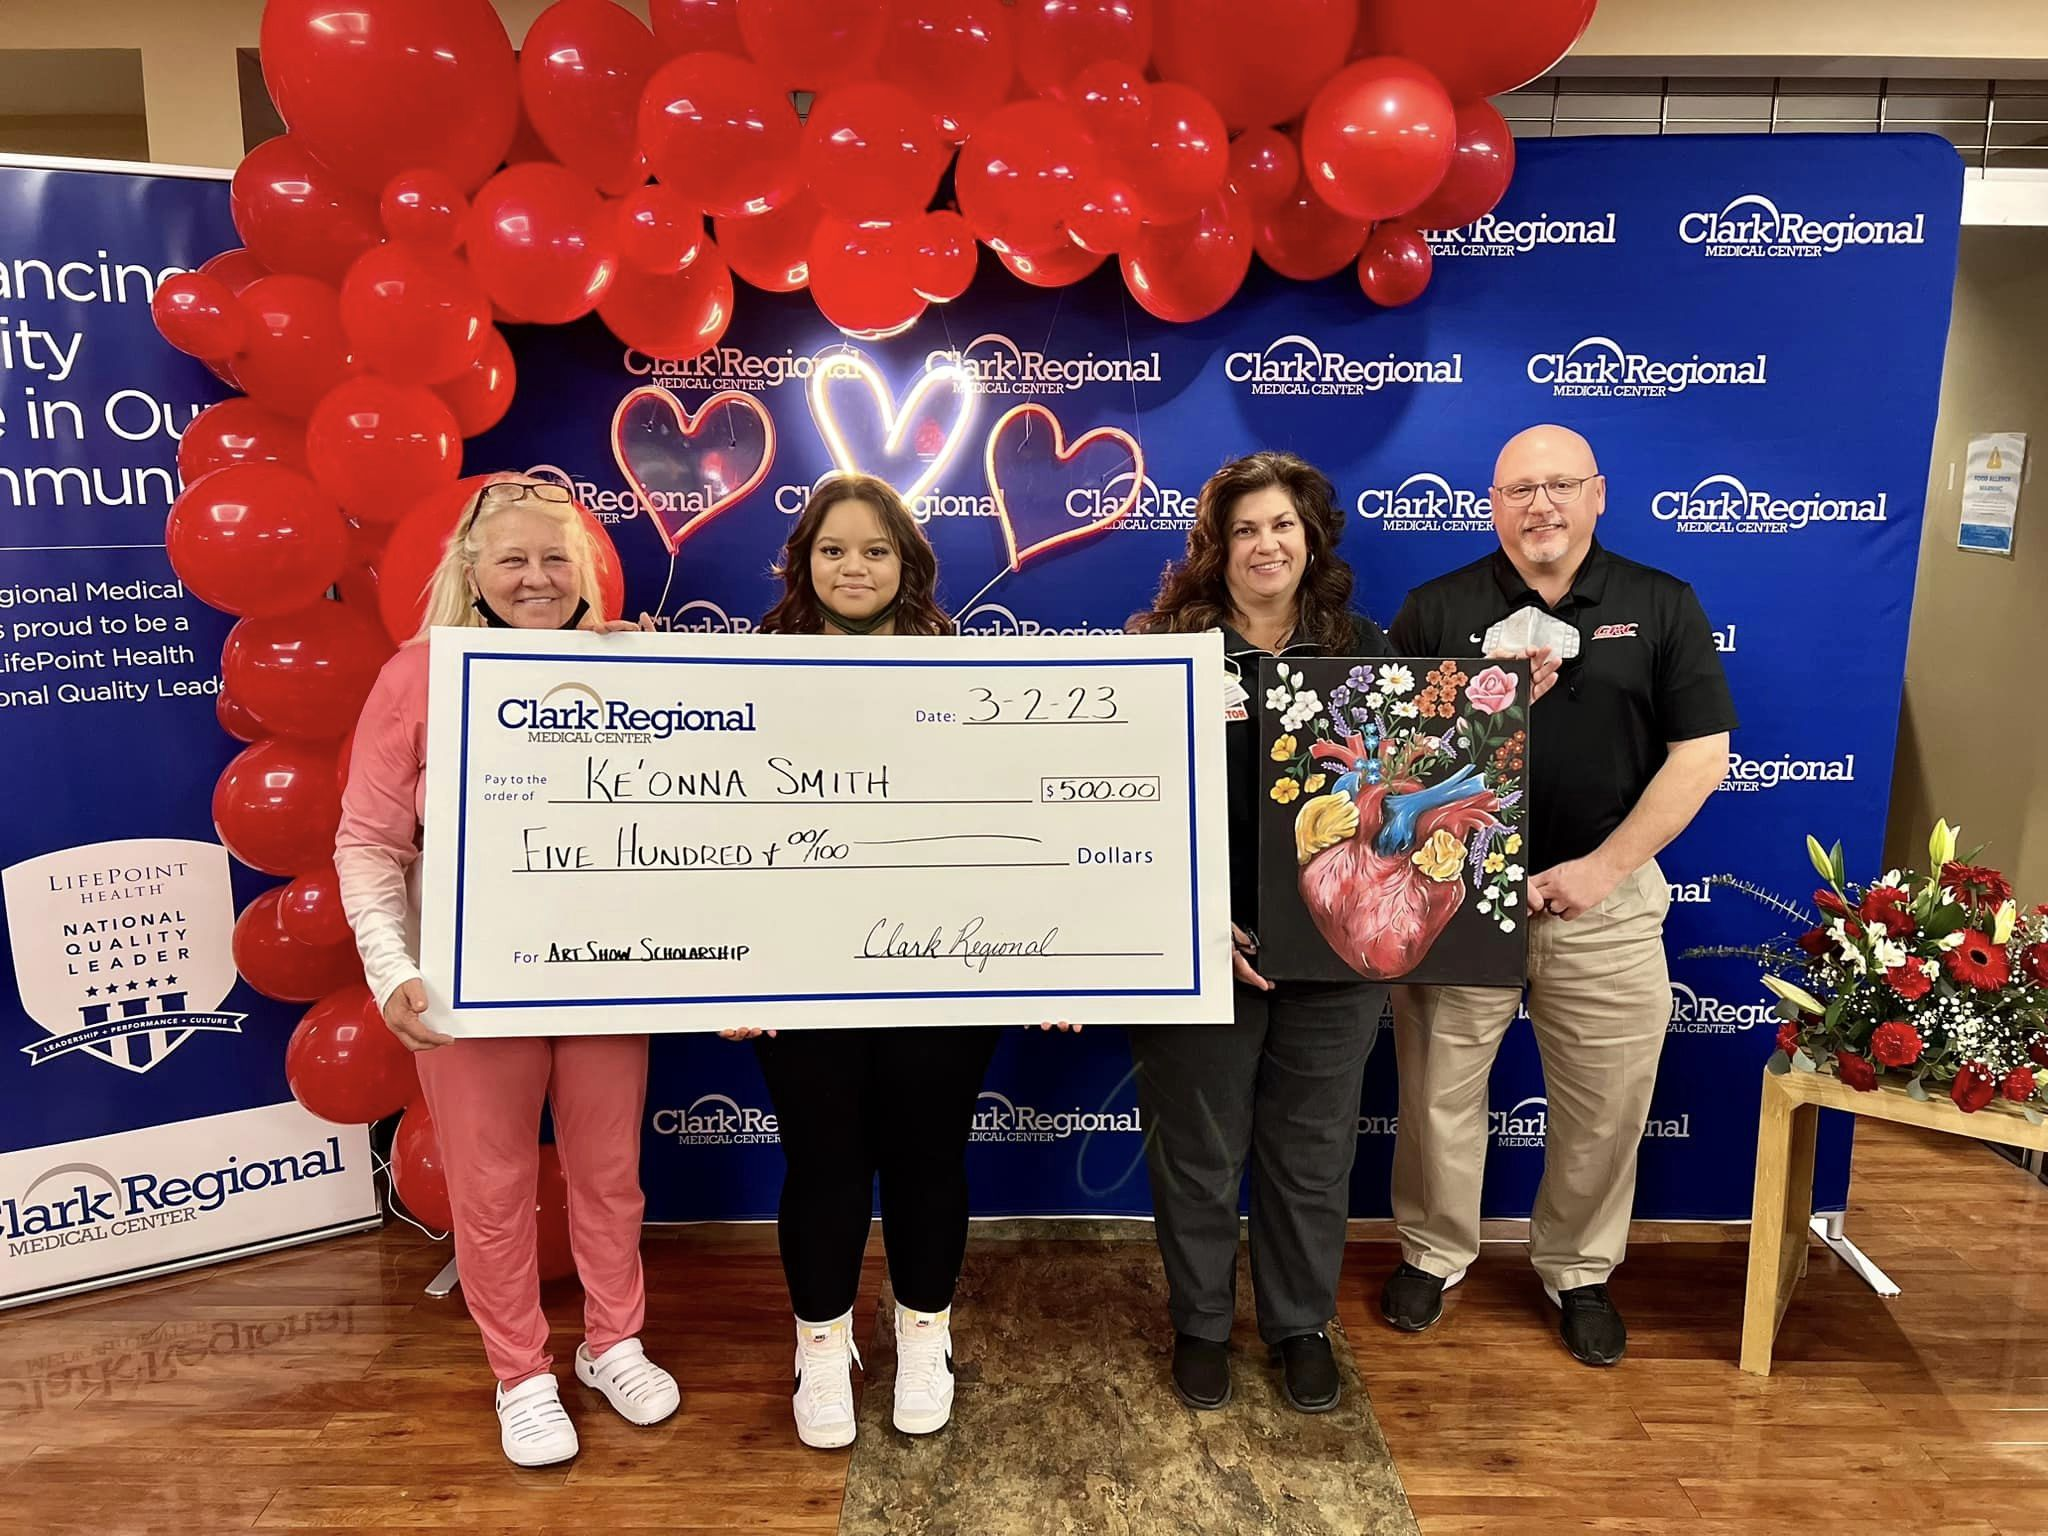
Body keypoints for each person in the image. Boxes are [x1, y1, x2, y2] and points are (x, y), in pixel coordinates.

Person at [336, 476, 677, 1467]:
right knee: (490, 1186)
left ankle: (613, 1343)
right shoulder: (418, 676)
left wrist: (655, 670)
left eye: (554, 557)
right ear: (472, 572)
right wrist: (390, 965)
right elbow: (367, 841)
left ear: (585, 572)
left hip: (604, 970)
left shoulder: (629, 668)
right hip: (472, 981)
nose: (536, 576)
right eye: (514, 558)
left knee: (610, 1174)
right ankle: (521, 1374)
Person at [1382, 424, 1735, 1367]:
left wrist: (1605, 867)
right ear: (1491, 505)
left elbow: (1702, 755)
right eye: (1517, 491)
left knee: (1607, 1101)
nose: (1540, 506)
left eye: (1560, 486)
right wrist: (1491, 711)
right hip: (1458, 895)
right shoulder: (1435, 607)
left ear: (1598, 494)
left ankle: (1579, 1269)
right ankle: (1434, 1252)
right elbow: (1397, 765)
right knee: (1437, 1091)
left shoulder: (1660, 604)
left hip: (1604, 898)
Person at [719, 473, 1004, 1451]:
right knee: (826, 1163)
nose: (852, 566)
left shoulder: (962, 676)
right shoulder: (755, 676)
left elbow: (1019, 829)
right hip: (802, 970)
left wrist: (1064, 959)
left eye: (874, 550)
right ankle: (820, 1341)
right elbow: (715, 830)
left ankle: (924, 1330)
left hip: (946, 968)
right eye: (833, 548)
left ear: (906, 564)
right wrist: (732, 966)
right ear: (803, 562)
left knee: (929, 1160)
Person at [1123, 451, 1402, 1415]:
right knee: (1197, 1151)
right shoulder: (1164, 650)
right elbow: (1123, 811)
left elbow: (1395, 810)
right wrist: (1193, 922)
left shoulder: (1369, 653)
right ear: (1217, 548)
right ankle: (1201, 1325)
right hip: (1199, 949)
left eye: (1282, 524)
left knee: (1314, 1151)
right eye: (1244, 529)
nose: (1265, 543)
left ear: (1311, 537)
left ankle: (1298, 1326)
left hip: (1335, 953)